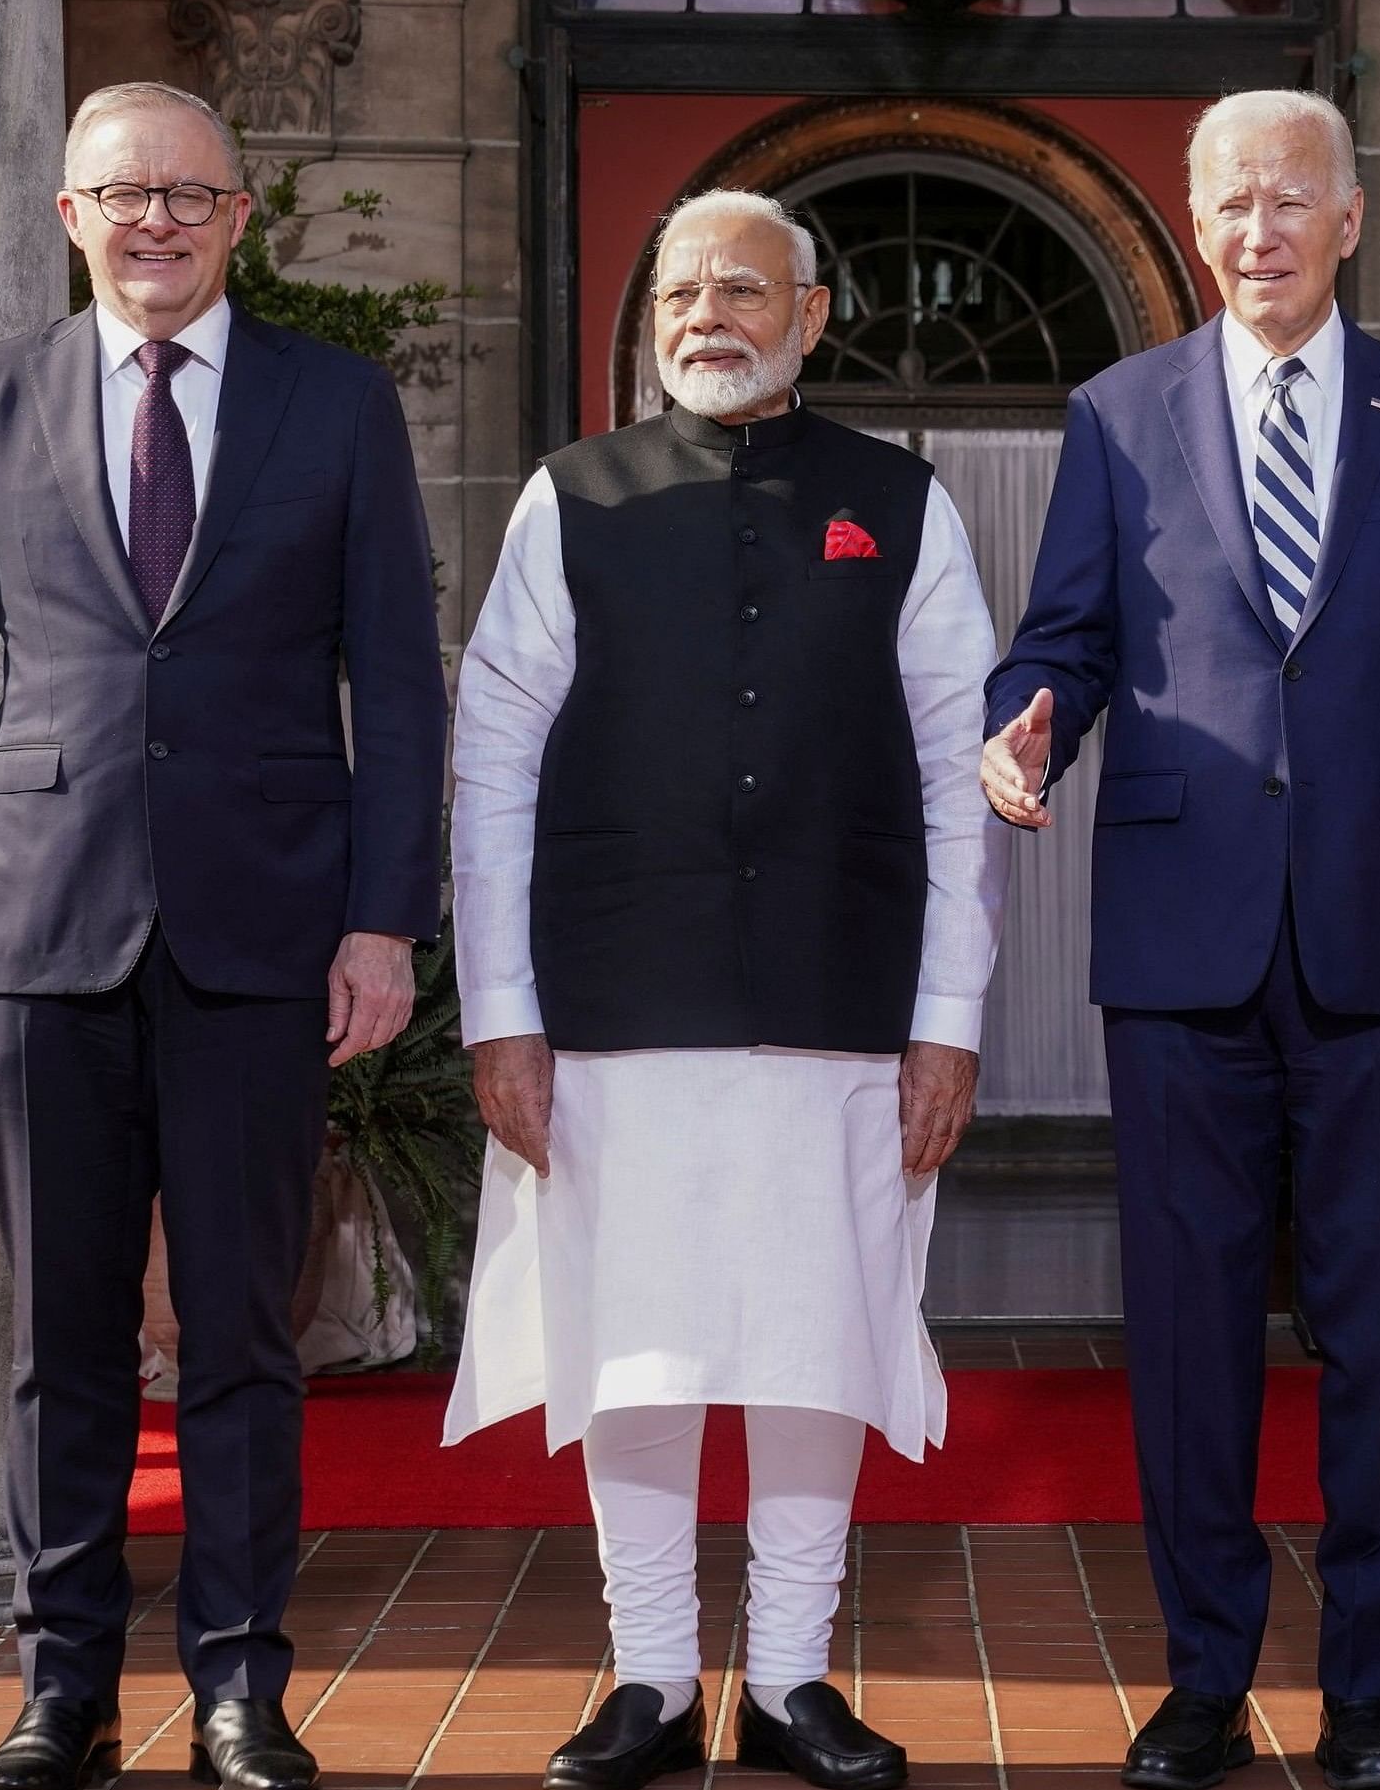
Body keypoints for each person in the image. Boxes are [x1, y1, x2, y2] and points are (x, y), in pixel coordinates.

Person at [982, 90, 1380, 1790]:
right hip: (1181, 947)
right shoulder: (1115, 413)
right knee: (1186, 1327)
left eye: (1288, 200)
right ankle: (1202, 1679)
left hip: (1379, 939)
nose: (1257, 231)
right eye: (1227, 201)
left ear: (1351, 217)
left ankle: (1366, 1692)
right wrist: (1028, 729)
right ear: (1192, 215)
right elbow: (1065, 643)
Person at [0, 79, 446, 1790]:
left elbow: (401, 687)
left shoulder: (338, 405)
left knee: (245, 1335)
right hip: (43, 932)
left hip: (266, 940)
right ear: (71, 217)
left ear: (238, 217)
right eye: (121, 192)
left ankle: (241, 1689)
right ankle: (65, 1689)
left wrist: (384, 924)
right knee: (61, 1346)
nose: (155, 221)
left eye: (188, 194)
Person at [441, 189, 1004, 1790]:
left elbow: (965, 774)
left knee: (817, 1336)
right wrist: (502, 1009)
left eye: (744, 289)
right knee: (639, 1341)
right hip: (617, 999)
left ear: (810, 317)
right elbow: (491, 761)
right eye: (682, 287)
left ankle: (796, 1675)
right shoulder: (574, 499)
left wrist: (950, 1018)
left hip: (845, 996)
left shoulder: (899, 502)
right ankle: (646, 1679)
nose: (709, 314)